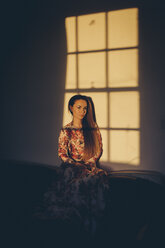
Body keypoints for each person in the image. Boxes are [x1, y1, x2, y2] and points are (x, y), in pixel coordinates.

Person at [58, 94, 105, 175]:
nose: (82, 111)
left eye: (85, 108)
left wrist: (90, 163)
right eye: (79, 107)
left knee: (100, 175)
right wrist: (74, 164)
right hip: (72, 168)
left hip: (89, 166)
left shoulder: (93, 127)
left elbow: (99, 149)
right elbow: (62, 153)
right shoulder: (66, 130)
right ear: (71, 108)